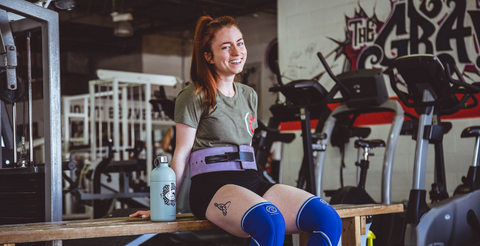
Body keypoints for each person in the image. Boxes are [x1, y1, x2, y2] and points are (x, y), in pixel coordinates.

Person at [130, 15, 342, 246]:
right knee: (270, 224)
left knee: (327, 218)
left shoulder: (248, 95)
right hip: (212, 187)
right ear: (208, 56)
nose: (237, 52)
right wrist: (163, 208)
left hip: (251, 181)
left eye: (240, 43)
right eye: (226, 47)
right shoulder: (193, 96)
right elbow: (181, 155)